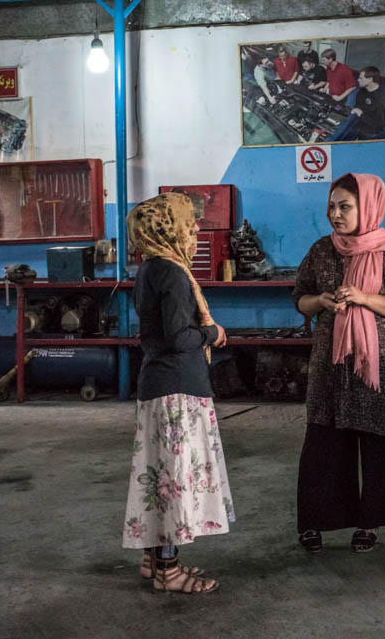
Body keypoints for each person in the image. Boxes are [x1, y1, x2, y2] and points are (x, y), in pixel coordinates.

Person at [293, 173, 385, 553]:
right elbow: (300, 297)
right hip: (330, 361)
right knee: (324, 440)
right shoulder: (320, 250)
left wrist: (362, 297)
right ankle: (315, 521)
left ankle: (370, 522)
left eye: (344, 206)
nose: (335, 214)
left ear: (368, 206)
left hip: (378, 360)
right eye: (331, 206)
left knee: (377, 440)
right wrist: (321, 302)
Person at [121, 192, 233, 594]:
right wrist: (212, 333)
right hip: (177, 391)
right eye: (189, 223)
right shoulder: (170, 272)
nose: (196, 230)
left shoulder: (150, 268)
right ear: (168, 228)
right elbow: (180, 337)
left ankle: (154, 561)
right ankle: (169, 571)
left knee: (159, 476)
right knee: (174, 480)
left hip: (159, 385)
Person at [349, 67, 385, 140]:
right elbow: (357, 105)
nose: (358, 80)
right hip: (359, 125)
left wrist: (361, 114)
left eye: (361, 78)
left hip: (370, 133)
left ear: (370, 79)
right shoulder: (361, 91)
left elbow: (379, 125)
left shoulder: (382, 97)